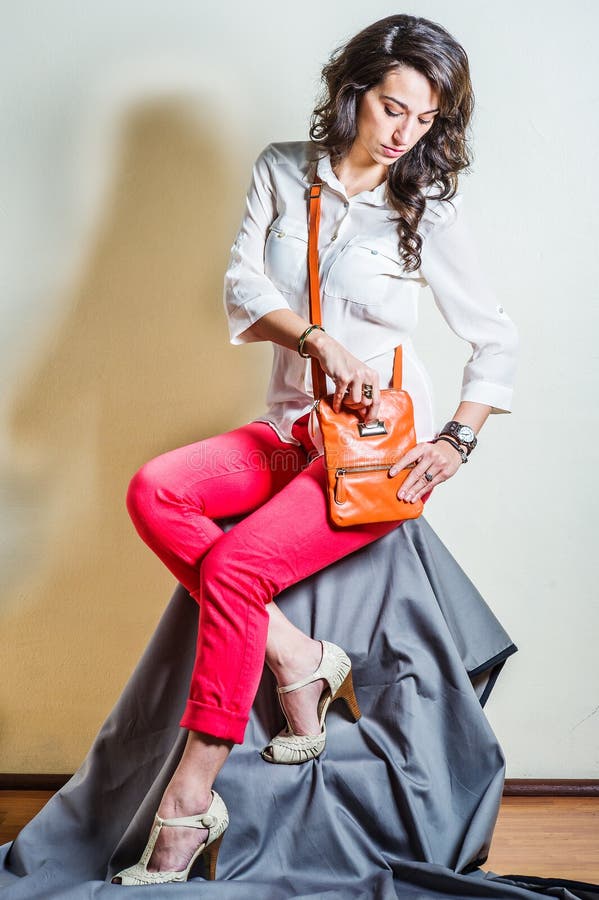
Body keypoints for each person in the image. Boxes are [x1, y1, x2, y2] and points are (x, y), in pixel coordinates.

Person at [111, 13, 518, 886]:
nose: (404, 132)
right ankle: (297, 655)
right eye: (390, 107)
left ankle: (192, 793)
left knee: (236, 572)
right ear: (354, 91)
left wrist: (456, 440)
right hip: (286, 431)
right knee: (154, 490)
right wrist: (314, 341)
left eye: (424, 119)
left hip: (363, 459)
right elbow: (239, 282)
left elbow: (495, 342)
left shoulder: (426, 208)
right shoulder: (281, 168)